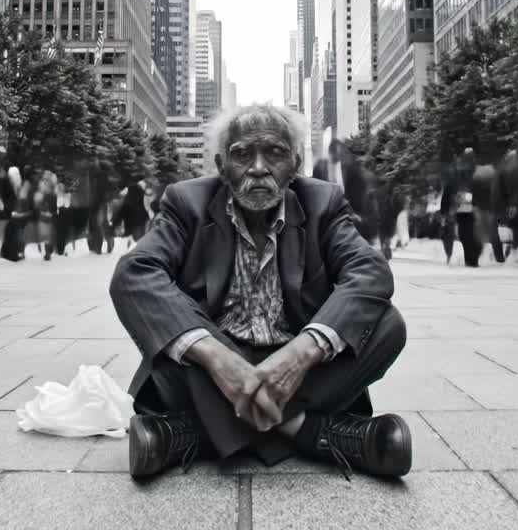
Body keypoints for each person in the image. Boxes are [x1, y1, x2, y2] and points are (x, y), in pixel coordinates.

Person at [110, 104, 410, 481]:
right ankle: (312, 433)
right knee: (164, 317)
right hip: (209, 368)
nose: (257, 167)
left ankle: (194, 433)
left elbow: (370, 271)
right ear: (221, 166)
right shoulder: (186, 202)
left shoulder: (324, 203)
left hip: (302, 371)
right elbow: (133, 273)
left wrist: (301, 354)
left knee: (388, 324)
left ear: (295, 163)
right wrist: (220, 361)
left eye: (275, 153)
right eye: (242, 154)